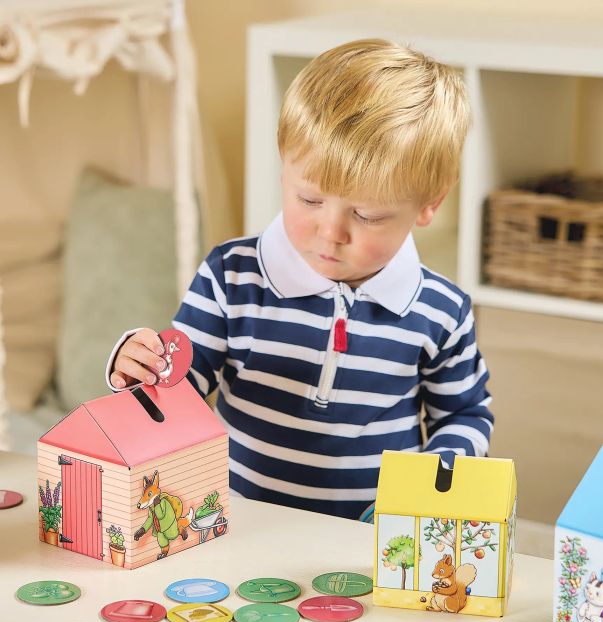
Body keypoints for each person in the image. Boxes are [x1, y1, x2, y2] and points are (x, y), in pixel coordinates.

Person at [106, 38, 493, 520]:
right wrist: (139, 366)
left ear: (429, 204)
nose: (331, 232)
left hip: (371, 537)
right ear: (284, 167)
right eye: (310, 200)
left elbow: (464, 414)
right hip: (240, 522)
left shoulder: (441, 310)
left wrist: (436, 480)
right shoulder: (232, 275)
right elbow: (177, 389)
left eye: (367, 215)